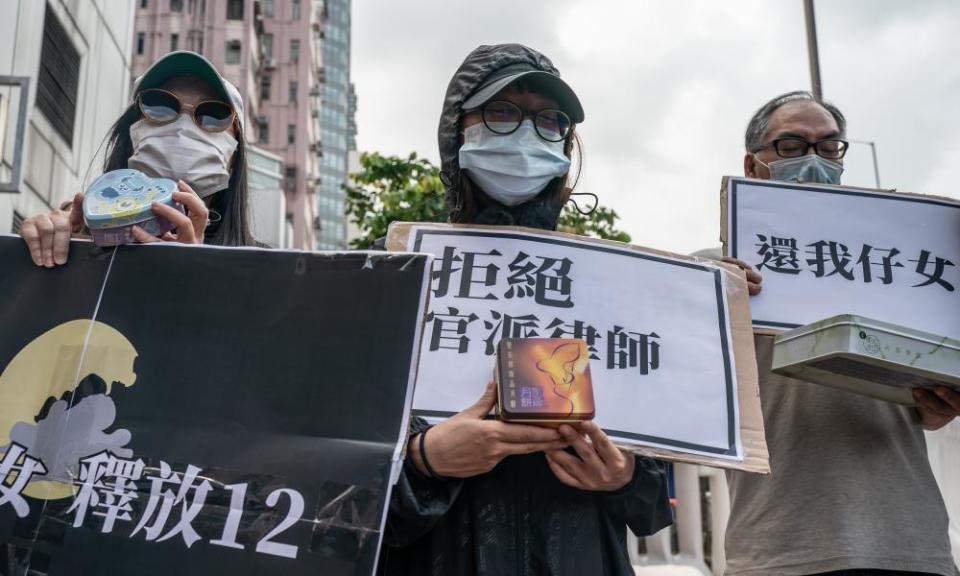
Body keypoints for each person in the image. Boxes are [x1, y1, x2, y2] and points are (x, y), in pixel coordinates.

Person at [377, 44, 672, 576]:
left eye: (548, 120)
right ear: (457, 132)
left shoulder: (611, 285)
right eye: (502, 112)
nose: (526, 134)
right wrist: (424, 460)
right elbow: (345, 492)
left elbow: (654, 501)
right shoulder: (397, 274)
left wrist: (624, 475)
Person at [719, 91, 960, 576]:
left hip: (912, 544)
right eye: (791, 146)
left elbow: (926, 407)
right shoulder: (716, 275)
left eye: (829, 148)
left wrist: (939, 406)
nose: (813, 161)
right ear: (753, 164)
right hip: (779, 548)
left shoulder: (903, 269)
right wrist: (707, 297)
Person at [19, 50, 255, 265]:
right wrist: (54, 252)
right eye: (160, 105)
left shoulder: (262, 273)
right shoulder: (79, 237)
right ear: (131, 136)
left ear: (234, 158)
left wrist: (194, 272)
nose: (183, 128)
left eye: (213, 115)